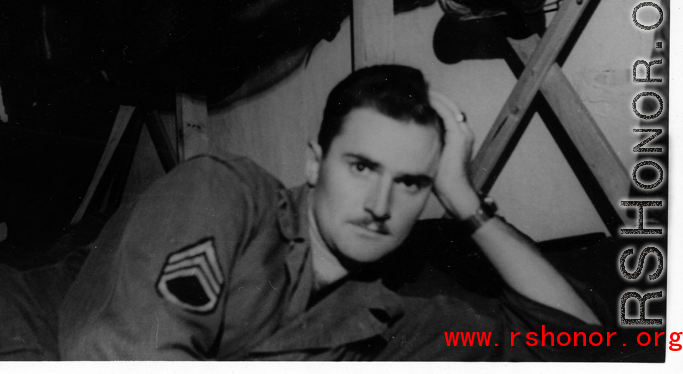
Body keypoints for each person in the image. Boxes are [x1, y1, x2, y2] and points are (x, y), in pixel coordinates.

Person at [57, 64, 606, 360]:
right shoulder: (222, 192)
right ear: (315, 163)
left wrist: (464, 199)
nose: (379, 206)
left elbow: (583, 343)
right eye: (362, 167)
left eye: (411, 182)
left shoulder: (386, 321)